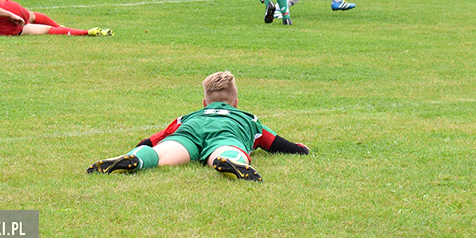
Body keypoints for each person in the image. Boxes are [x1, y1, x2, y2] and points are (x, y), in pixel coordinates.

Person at [86, 71, 309, 182]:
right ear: (236, 103)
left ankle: (137, 158)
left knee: (161, 152)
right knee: (225, 150)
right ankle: (232, 161)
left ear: (204, 103)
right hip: (228, 134)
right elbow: (278, 144)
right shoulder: (249, 120)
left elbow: (152, 140)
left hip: (189, 132)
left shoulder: (186, 117)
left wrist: (139, 147)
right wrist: (302, 149)